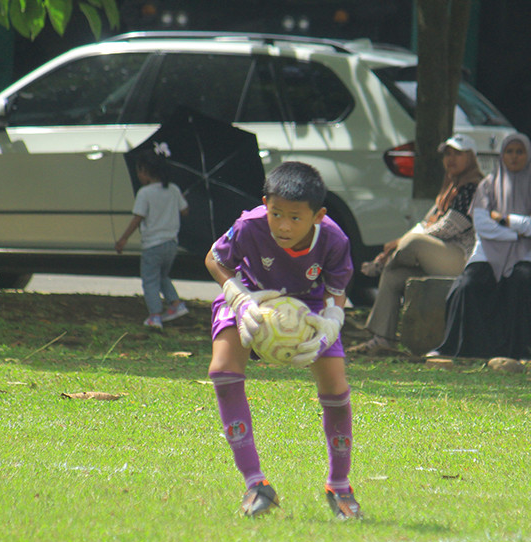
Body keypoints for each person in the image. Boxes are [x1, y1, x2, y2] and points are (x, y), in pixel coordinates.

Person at [204, 161, 362, 520]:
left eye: (295, 217)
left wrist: (333, 321)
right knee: (222, 370)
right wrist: (238, 297)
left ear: (318, 215)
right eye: (276, 214)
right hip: (249, 296)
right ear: (265, 204)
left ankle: (339, 487)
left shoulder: (335, 239)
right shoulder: (249, 225)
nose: (283, 225)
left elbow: (337, 290)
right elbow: (215, 258)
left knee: (336, 389)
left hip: (308, 305)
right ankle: (255, 484)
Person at [348, 133, 484, 355]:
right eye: (447, 154)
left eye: (458, 154)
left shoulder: (475, 187)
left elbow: (449, 227)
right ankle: (381, 338)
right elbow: (425, 223)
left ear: (471, 157)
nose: (451, 159)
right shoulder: (449, 187)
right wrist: (398, 245)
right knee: (394, 273)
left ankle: (382, 261)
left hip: (460, 257)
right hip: (437, 255)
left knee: (411, 242)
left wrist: (401, 243)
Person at [433, 133, 531, 359]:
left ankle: (517, 352)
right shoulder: (487, 186)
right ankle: (462, 349)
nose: (514, 157)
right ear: (502, 155)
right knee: (468, 284)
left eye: (520, 152)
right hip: (486, 253)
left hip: (523, 255)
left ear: (527, 155)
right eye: (509, 151)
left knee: (521, 281)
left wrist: (504, 219)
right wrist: (520, 230)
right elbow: (483, 225)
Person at [115, 150, 190, 329]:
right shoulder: (173, 189)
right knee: (163, 275)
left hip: (152, 245)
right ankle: (175, 304)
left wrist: (123, 239)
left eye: (139, 171)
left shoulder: (145, 193)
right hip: (171, 244)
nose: (138, 175)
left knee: (149, 280)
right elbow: (184, 211)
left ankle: (155, 315)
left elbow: (137, 218)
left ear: (146, 171)